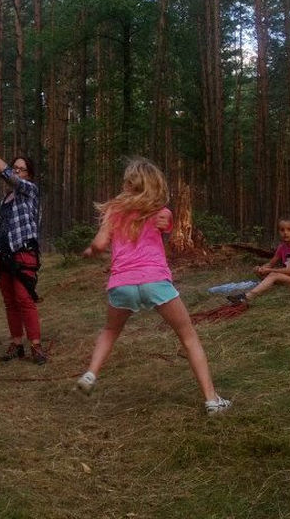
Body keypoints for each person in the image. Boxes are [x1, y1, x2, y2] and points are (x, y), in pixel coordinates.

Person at [77, 158, 231, 415]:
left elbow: (100, 244)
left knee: (110, 331)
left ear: (128, 183)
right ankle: (212, 400)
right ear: (154, 184)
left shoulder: (113, 210)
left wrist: (91, 251)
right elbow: (166, 221)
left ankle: (91, 373)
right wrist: (165, 217)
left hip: (122, 284)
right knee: (188, 336)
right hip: (155, 281)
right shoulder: (159, 210)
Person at [0, 134, 46, 365]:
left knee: (24, 298)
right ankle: (16, 343)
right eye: (15, 168)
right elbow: (3, 226)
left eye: (21, 169)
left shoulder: (30, 190)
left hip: (23, 252)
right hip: (3, 253)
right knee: (10, 301)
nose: (16, 171)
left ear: (29, 175)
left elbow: (7, 175)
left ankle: (36, 345)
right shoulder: (6, 199)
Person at [227, 216, 290, 306]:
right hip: (288, 276)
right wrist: (262, 268)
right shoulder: (282, 247)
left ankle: (246, 297)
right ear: (279, 232)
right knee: (260, 272)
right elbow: (271, 263)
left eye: (289, 230)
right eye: (282, 230)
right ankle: (268, 285)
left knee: (273, 274)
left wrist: (269, 270)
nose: (285, 233)